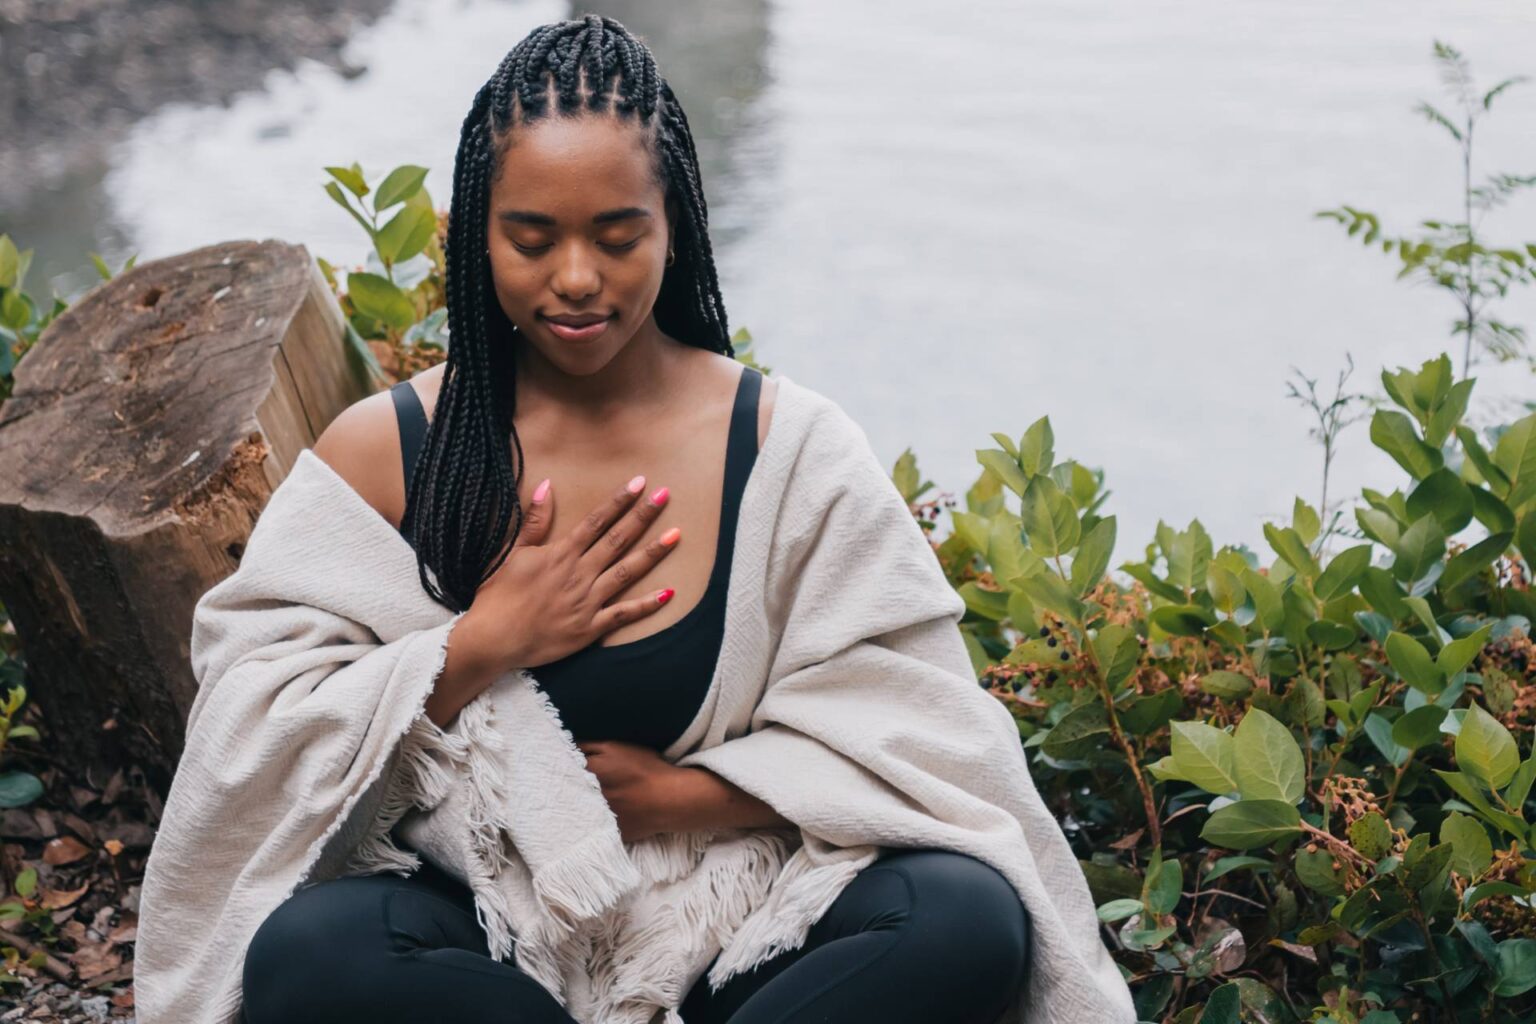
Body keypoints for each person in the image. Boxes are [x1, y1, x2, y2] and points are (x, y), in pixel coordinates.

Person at [237, 15, 1031, 1024]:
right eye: (532, 237)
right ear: (478, 230)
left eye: (618, 235)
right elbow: (259, 744)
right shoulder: (385, 451)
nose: (576, 277)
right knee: (309, 956)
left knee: (965, 914)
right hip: (484, 928)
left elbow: (924, 738)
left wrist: (691, 798)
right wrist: (483, 644)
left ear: (677, 226)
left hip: (735, 926)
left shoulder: (789, 449)